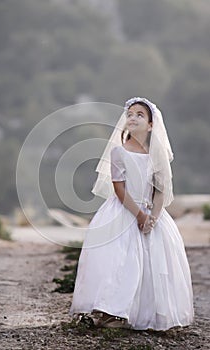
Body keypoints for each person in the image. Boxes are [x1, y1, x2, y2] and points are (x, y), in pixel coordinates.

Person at [69, 97, 194, 331]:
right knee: (118, 261)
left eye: (140, 115)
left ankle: (144, 313)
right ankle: (111, 310)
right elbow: (119, 189)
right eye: (130, 114)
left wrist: (153, 218)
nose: (133, 118)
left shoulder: (156, 155)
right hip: (124, 210)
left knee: (153, 264)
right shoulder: (119, 152)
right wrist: (139, 216)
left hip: (151, 214)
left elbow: (160, 191)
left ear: (151, 125)